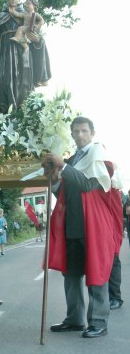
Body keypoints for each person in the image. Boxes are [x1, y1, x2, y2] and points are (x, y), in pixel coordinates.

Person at [41, 116, 123, 338]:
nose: (79, 135)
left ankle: (98, 322)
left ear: (92, 133)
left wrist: (63, 165)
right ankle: (75, 319)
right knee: (72, 275)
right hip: (72, 225)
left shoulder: (99, 156)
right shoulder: (72, 159)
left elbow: (87, 184)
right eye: (76, 131)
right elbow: (64, 193)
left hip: (94, 226)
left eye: (84, 131)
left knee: (96, 275)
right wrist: (54, 178)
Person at [0, 0, 51, 114]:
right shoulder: (1, 16)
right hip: (5, 53)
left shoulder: (27, 14)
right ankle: (3, 113)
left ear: (20, 0)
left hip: (22, 52)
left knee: (23, 82)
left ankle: (23, 113)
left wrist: (38, 40)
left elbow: (36, 33)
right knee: (4, 81)